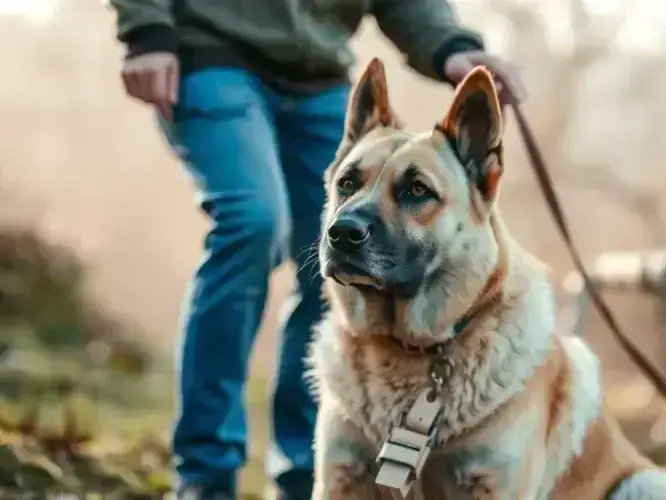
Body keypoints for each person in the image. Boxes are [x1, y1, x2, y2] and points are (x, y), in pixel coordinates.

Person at [108, 0, 526, 498]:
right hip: (210, 52)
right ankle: (204, 474)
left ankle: (305, 474)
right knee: (251, 223)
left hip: (318, 75)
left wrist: (450, 46)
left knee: (340, 256)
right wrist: (146, 29)